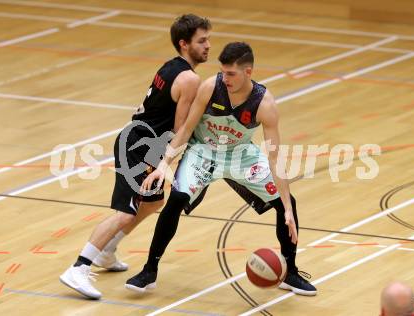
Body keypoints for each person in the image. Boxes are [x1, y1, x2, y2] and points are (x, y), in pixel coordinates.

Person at [125, 42, 317, 296]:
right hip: (203, 150)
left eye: (231, 74)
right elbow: (186, 129)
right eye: (223, 72)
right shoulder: (210, 87)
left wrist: (288, 209)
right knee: (176, 199)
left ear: (248, 72)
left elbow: (274, 158)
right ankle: (150, 270)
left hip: (241, 154)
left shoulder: (264, 103)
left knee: (286, 203)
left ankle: (290, 272)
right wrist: (164, 165)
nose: (224, 78)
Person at [59, 14, 211, 300]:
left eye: (208, 40)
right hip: (137, 148)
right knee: (125, 211)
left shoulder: (171, 67)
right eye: (201, 41)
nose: (208, 46)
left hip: (143, 144)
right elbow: (180, 129)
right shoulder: (190, 79)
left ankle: (107, 250)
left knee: (153, 203)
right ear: (184, 44)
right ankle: (79, 267)